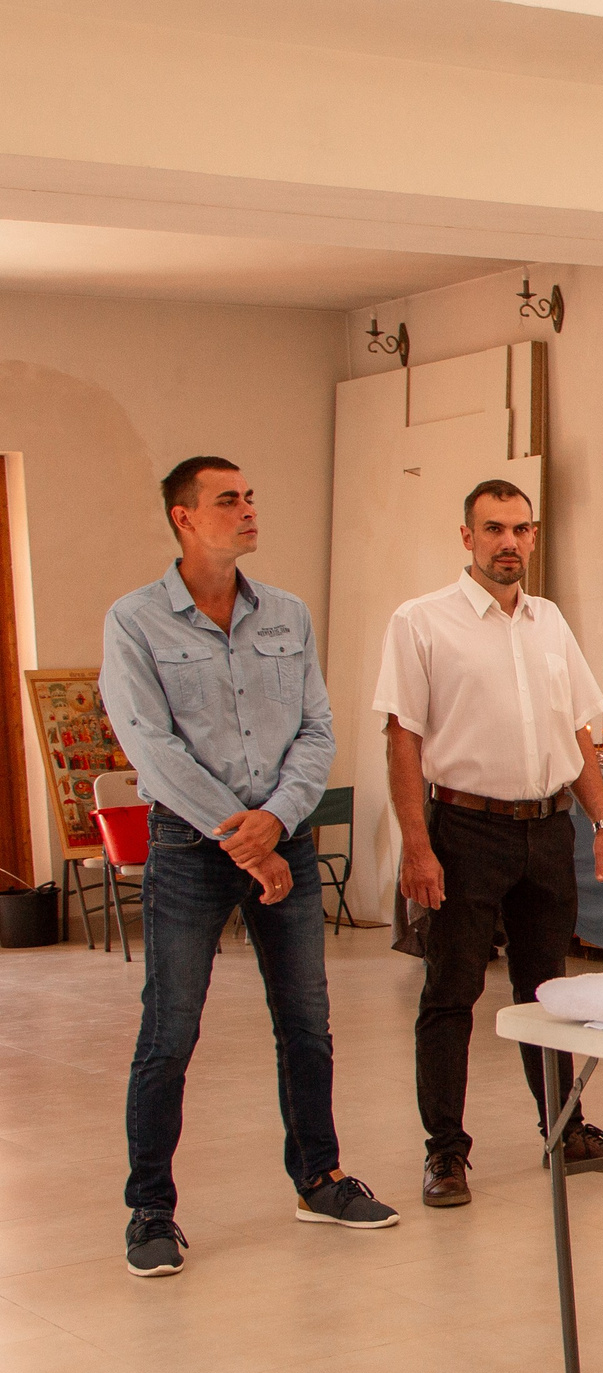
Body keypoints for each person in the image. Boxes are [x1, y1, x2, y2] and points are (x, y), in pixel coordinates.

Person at [100, 456, 399, 1276]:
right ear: (184, 519)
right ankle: (151, 1213)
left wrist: (274, 823)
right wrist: (242, 838)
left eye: (251, 495)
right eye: (228, 499)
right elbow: (149, 748)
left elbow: (317, 730)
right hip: (189, 851)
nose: (247, 508)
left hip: (284, 838)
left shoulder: (288, 616)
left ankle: (320, 1179)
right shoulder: (134, 621)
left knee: (307, 1021)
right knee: (171, 1031)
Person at [378, 479, 603, 1209]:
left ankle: (566, 1128)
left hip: (547, 830)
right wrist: (417, 846)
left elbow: (576, 730)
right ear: (467, 537)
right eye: (493, 529)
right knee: (451, 993)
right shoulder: (421, 622)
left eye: (521, 530)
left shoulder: (549, 621)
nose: (509, 543)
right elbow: (402, 739)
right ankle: (446, 1154)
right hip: (463, 831)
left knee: (548, 990)